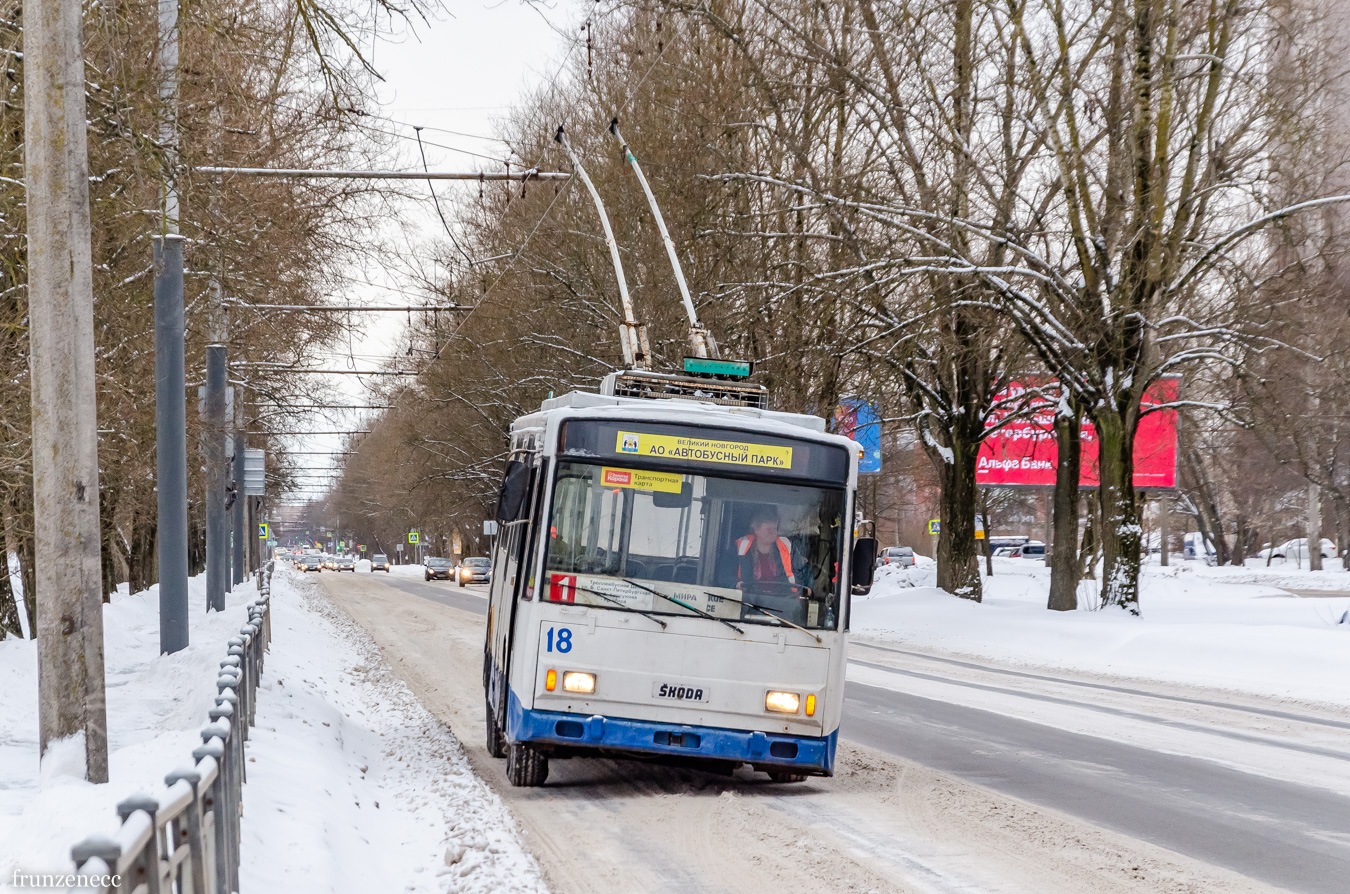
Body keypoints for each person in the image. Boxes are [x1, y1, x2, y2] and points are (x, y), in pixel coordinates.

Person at [736, 507, 799, 589]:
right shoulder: (740, 547)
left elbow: (801, 572)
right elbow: (725, 575)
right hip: (747, 598)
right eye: (769, 529)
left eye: (775, 529)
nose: (773, 533)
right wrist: (735, 583)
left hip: (784, 598)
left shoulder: (787, 546)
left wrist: (805, 589)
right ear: (756, 530)